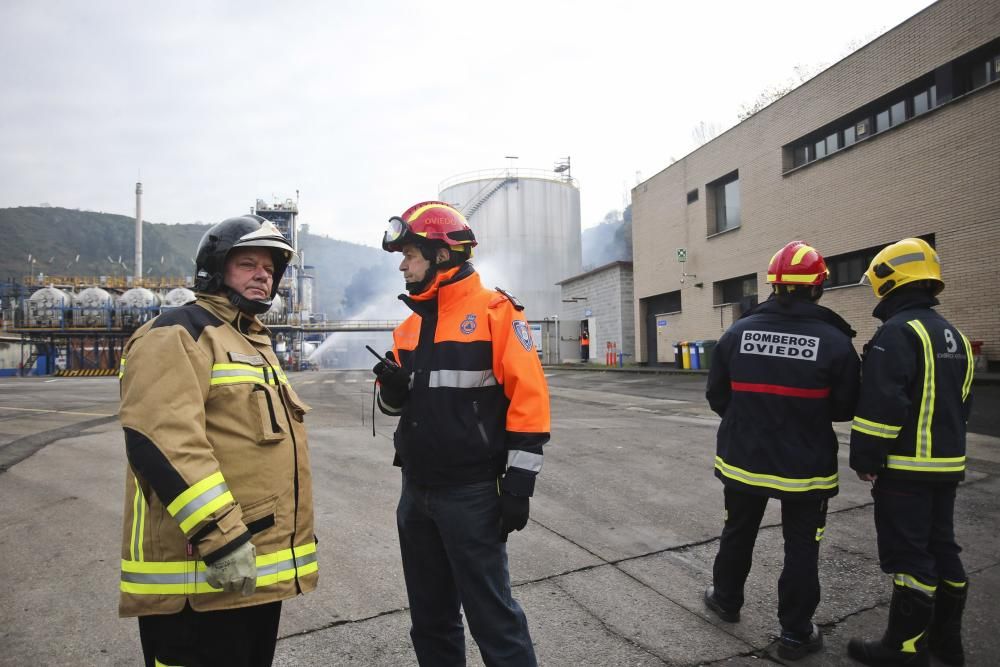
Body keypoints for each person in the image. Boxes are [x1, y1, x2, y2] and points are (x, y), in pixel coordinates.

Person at [118, 215, 318, 667]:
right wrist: (221, 536)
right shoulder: (179, 333)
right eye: (248, 264)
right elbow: (164, 439)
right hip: (200, 576)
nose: (263, 274)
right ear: (215, 269)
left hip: (252, 572)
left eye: (269, 267)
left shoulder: (248, 340)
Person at [372, 200, 550, 666]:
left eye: (410, 255)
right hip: (416, 493)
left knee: (493, 618)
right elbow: (393, 407)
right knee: (430, 620)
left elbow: (529, 402)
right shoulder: (407, 328)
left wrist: (519, 485)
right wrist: (391, 389)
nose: (403, 266)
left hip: (471, 496)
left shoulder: (497, 313)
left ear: (443, 256)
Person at [704, 241, 860, 660]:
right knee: (802, 547)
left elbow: (717, 395)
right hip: (805, 466)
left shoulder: (737, 332)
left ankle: (725, 599)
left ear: (774, 284)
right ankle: (795, 634)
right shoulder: (834, 340)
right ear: (818, 286)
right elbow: (845, 407)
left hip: (742, 459)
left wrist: (747, 421)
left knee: (737, 532)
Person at [847, 238, 974, 667]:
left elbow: (882, 405)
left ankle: (901, 649)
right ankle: (946, 644)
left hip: (906, 469)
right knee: (943, 548)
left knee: (909, 556)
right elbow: (963, 404)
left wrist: (866, 458)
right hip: (946, 464)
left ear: (890, 281)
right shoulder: (952, 335)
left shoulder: (897, 333)